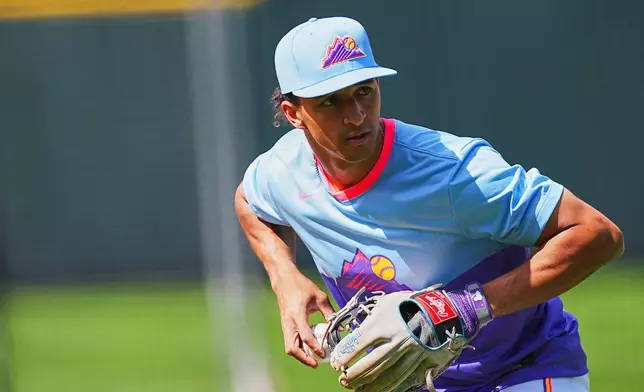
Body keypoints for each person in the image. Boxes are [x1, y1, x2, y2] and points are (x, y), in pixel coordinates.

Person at [234, 16, 624, 392]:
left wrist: (468, 307)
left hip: (524, 368)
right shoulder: (284, 171)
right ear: (293, 113)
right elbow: (249, 202)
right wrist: (283, 274)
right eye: (331, 102)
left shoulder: (456, 172)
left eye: (365, 91)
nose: (356, 115)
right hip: (417, 384)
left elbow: (597, 234)